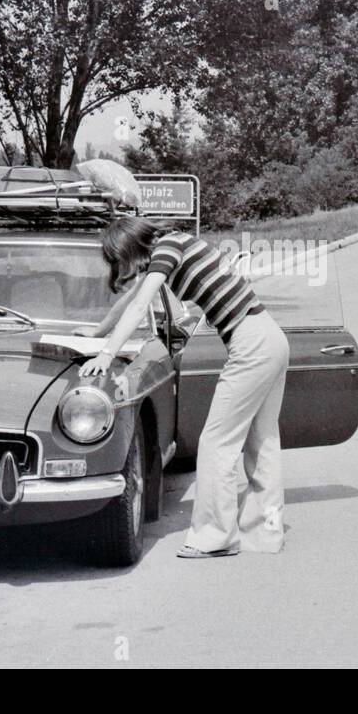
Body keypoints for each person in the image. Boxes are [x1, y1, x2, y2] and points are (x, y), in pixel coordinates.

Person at [78, 216, 289, 557]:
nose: (121, 267)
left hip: (251, 342)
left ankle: (215, 537)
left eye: (119, 259)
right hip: (269, 335)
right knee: (262, 441)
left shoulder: (168, 248)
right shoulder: (172, 246)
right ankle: (265, 534)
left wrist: (106, 353)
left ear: (129, 247)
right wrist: (100, 331)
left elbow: (138, 305)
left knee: (216, 442)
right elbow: (133, 296)